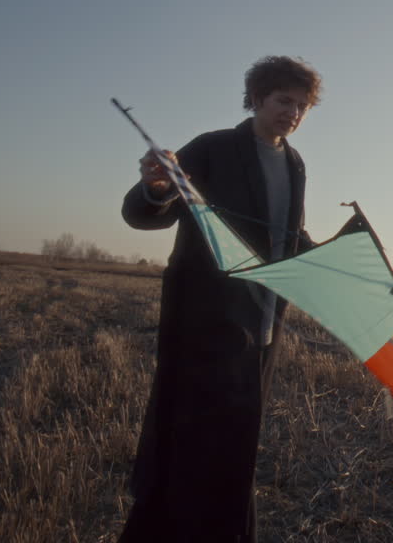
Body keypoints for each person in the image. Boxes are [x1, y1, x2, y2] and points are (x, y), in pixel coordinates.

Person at [119, 55, 321, 542]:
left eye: (302, 105)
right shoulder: (213, 148)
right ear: (256, 99)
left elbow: (288, 238)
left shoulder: (295, 164)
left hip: (264, 328)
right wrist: (156, 187)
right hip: (205, 326)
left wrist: (351, 266)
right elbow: (143, 214)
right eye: (283, 100)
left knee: (236, 451)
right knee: (189, 446)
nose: (292, 112)